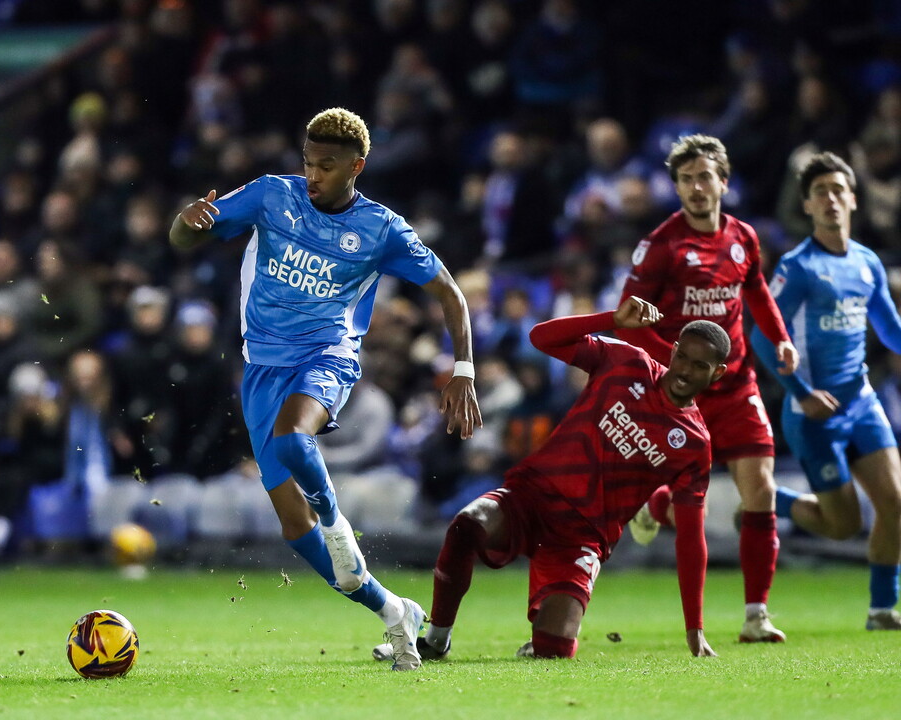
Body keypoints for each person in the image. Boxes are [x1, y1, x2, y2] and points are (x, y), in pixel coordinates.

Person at [169, 107, 482, 671]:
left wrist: (463, 370)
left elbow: (450, 294)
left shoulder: (381, 229)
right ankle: (394, 610)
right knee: (293, 525)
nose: (313, 175)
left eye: (328, 166)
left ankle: (338, 530)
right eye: (309, 163)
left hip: (327, 358)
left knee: (294, 441)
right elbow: (185, 237)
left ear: (357, 166)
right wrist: (185, 220)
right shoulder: (270, 195)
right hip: (261, 369)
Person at [373, 296, 727, 663]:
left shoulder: (694, 444)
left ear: (718, 373)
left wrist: (695, 627)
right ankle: (436, 638)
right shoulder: (626, 361)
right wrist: (610, 318)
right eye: (682, 356)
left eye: (699, 365)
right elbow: (541, 338)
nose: (684, 370)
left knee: (554, 652)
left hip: (583, 535)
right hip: (533, 495)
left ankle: (546, 636)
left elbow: (690, 536)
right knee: (467, 525)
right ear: (672, 351)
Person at [618, 134, 799, 643]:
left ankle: (756, 615)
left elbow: (756, 290)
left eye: (705, 177)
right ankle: (656, 506)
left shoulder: (743, 237)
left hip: (738, 386)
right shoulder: (663, 245)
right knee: (684, 500)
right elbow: (630, 313)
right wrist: (671, 347)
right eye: (686, 179)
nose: (697, 188)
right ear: (676, 186)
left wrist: (780, 340)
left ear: (724, 179)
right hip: (680, 394)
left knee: (759, 490)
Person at [750, 152, 901, 630]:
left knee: (895, 503)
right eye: (821, 192)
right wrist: (800, 391)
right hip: (812, 412)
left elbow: (891, 332)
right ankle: (770, 500)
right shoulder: (798, 268)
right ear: (808, 206)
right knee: (842, 526)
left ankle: (881, 610)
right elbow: (760, 334)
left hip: (861, 402)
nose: (831, 199)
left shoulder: (866, 263)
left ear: (853, 199)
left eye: (839, 190)